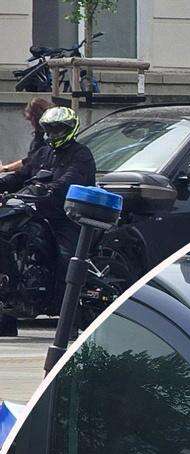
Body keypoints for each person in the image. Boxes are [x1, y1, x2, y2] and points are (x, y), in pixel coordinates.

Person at [0, 105, 95, 325]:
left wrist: (50, 189)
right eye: (49, 130)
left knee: (66, 260)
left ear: (70, 129)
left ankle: (69, 317)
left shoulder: (80, 154)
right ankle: (8, 314)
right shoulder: (43, 153)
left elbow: (69, 181)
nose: (52, 135)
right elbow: (21, 176)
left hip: (67, 217)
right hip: (38, 213)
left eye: (57, 130)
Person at [0, 96, 53, 176]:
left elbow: (31, 160)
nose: (31, 124)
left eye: (31, 119)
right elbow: (30, 159)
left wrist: (5, 168)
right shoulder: (39, 135)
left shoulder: (49, 137)